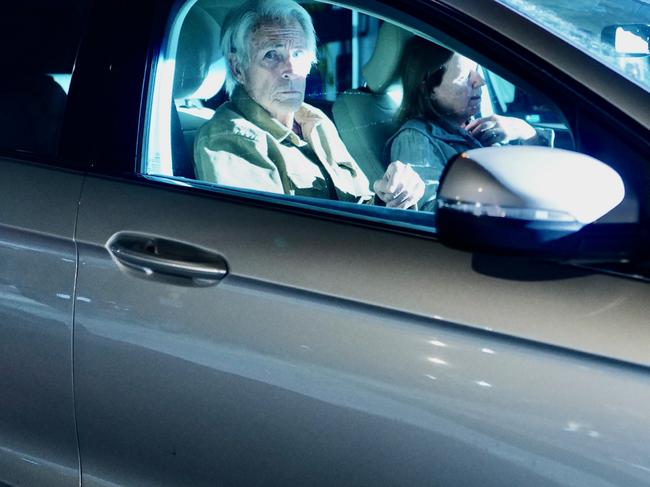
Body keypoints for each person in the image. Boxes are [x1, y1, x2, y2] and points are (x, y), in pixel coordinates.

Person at [194, 0, 424, 209]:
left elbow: (358, 207)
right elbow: (265, 244)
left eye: (298, 53)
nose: (291, 70)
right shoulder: (229, 138)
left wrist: (392, 197)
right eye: (271, 55)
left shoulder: (314, 121)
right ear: (238, 68)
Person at [384, 36, 554, 212]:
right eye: (465, 76)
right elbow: (432, 212)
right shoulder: (416, 139)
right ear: (429, 88)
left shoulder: (477, 128)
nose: (480, 81)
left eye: (477, 71)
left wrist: (525, 132)